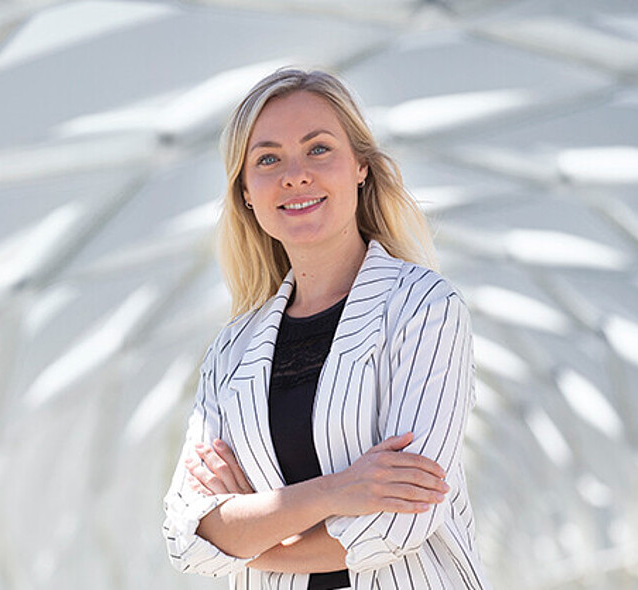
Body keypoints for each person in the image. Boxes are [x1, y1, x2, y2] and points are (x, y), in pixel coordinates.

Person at [161, 68, 489, 589]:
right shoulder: (231, 352)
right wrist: (338, 491)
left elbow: (399, 522)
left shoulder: (421, 307)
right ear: (246, 191)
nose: (295, 175)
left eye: (318, 149)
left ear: (360, 166)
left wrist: (245, 537)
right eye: (267, 159)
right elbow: (186, 536)